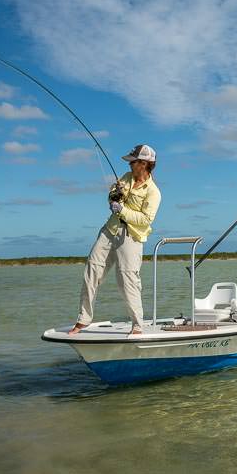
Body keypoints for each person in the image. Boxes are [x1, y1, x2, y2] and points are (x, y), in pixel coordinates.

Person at [68, 144, 161, 336]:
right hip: (110, 230)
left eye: (133, 162)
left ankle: (137, 324)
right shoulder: (125, 178)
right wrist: (113, 197)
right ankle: (83, 320)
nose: (129, 165)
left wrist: (123, 210)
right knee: (91, 272)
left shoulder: (153, 192)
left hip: (131, 236)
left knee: (127, 280)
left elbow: (145, 220)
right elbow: (112, 196)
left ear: (143, 164)